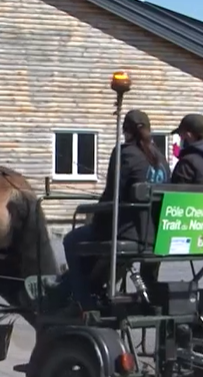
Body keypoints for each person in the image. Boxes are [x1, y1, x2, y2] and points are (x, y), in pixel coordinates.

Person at [60, 109, 169, 308]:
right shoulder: (161, 160)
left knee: (72, 240)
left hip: (126, 231)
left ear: (126, 131)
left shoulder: (125, 152)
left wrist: (95, 216)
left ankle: (82, 301)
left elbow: (112, 194)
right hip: (153, 234)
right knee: (91, 240)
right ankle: (93, 286)